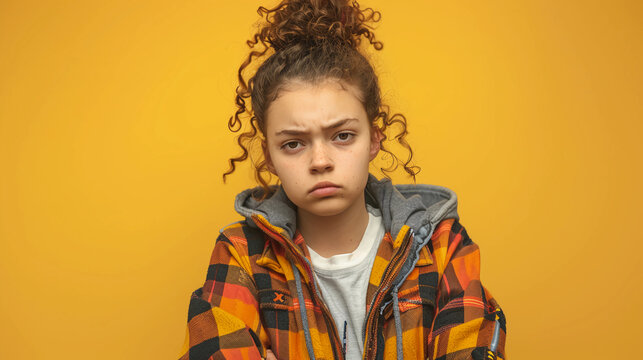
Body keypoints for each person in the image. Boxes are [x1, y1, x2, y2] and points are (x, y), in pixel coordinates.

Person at [178, 0, 506, 359]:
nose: (320, 161)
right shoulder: (241, 255)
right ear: (269, 157)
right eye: (293, 144)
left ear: (374, 140)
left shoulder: (440, 246)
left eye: (342, 136)